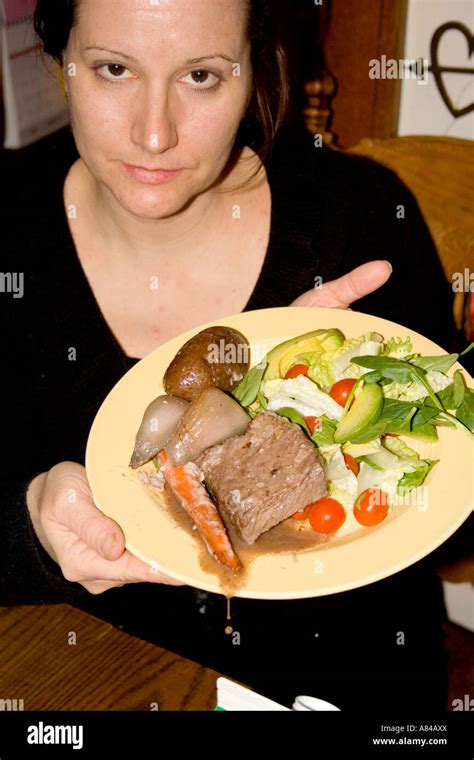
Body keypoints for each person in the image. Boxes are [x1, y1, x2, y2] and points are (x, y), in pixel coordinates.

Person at [1, 0, 454, 710]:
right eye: (114, 68)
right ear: (60, 63)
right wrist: (28, 525)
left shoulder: (357, 218)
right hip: (95, 683)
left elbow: (457, 521)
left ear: (256, 68)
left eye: (202, 77)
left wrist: (348, 422)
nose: (155, 133)